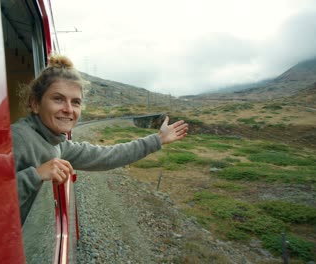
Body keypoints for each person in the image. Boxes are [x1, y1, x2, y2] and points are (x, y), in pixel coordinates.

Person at [12, 55, 188, 224]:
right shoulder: (18, 138)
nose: (68, 109)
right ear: (35, 104)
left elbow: (106, 156)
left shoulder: (57, 142)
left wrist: (157, 139)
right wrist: (35, 175)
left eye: (75, 102)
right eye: (58, 99)